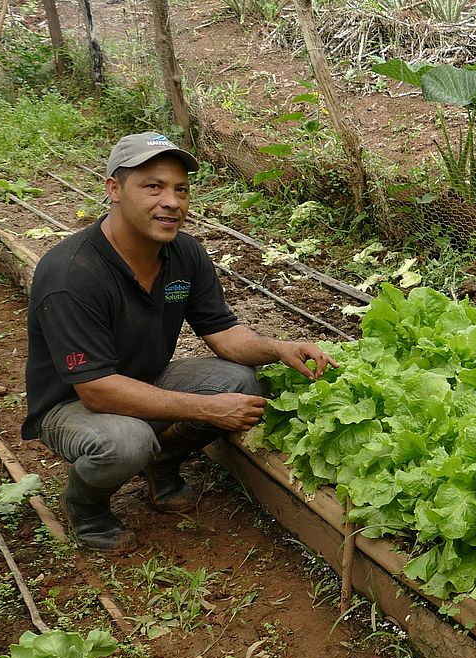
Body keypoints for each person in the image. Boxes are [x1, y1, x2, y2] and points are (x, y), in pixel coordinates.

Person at [21, 132, 337, 552]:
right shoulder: (72, 275)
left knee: (242, 382)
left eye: (180, 189)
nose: (172, 201)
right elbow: (96, 391)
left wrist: (279, 347)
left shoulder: (183, 254)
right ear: (114, 189)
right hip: (71, 404)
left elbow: (223, 333)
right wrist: (208, 408)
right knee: (125, 440)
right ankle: (88, 510)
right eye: (153, 186)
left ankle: (161, 463)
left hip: (146, 377)